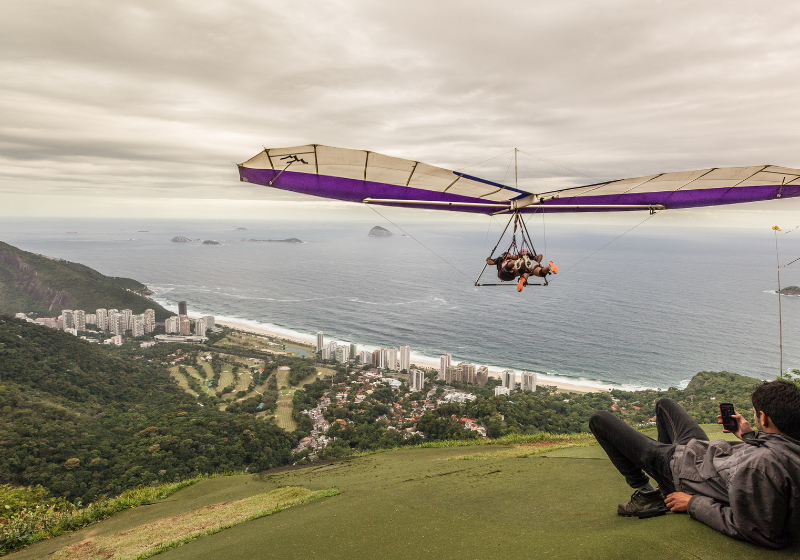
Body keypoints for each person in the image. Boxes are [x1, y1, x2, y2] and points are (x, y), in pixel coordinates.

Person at [588, 380, 800, 549]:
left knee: (599, 420)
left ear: (763, 418)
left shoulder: (758, 467)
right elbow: (775, 454)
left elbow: (756, 530)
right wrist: (749, 436)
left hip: (680, 471)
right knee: (664, 404)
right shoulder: (789, 443)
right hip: (704, 452)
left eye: (755, 413)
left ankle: (647, 494)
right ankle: (663, 488)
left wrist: (691, 503)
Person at [486, 251, 558, 291]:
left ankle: (522, 276)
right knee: (540, 272)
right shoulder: (501, 259)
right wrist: (489, 260)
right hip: (508, 271)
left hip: (511, 272)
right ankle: (549, 267)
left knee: (520, 270)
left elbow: (490, 262)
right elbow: (540, 255)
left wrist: (488, 259)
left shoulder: (507, 259)